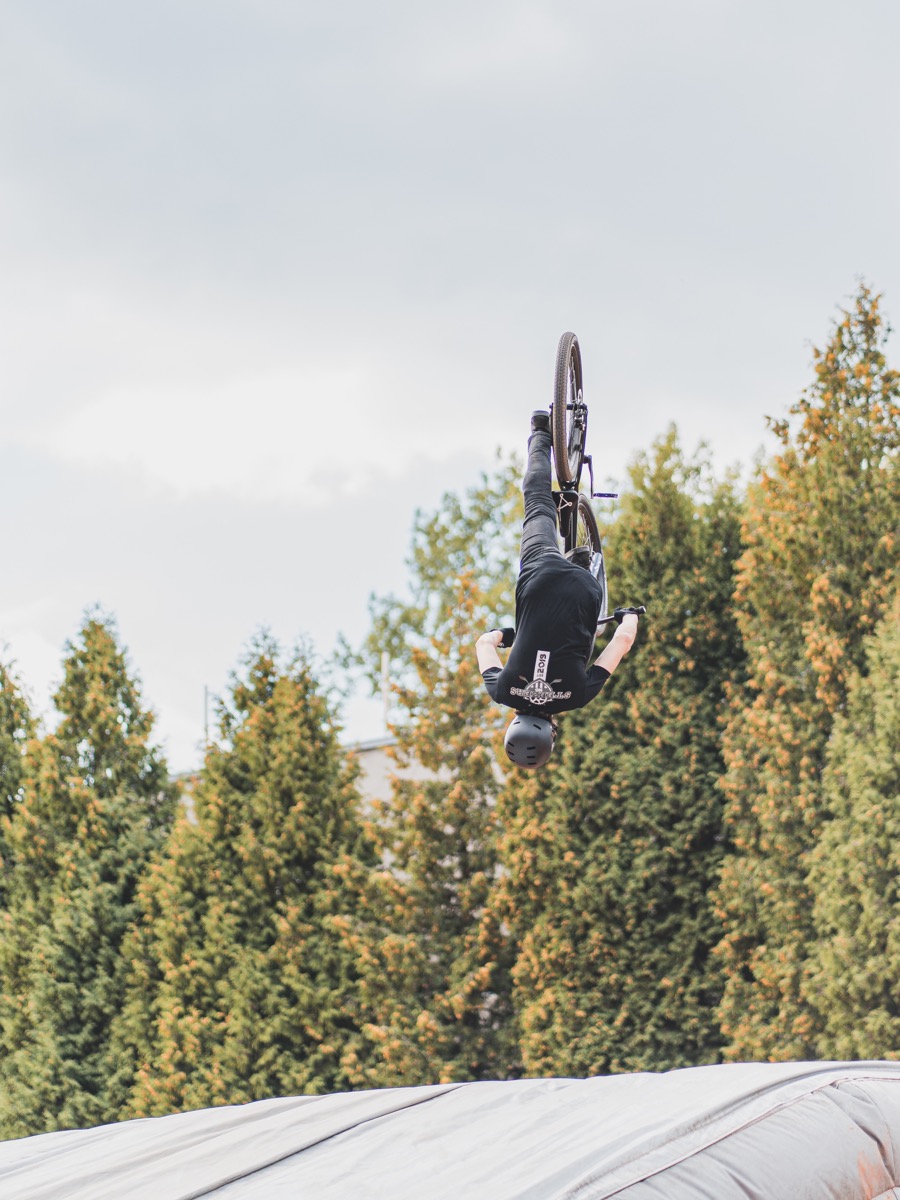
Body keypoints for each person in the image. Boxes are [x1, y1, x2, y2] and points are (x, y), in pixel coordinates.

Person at [476, 411, 641, 769]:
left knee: (591, 630)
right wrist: (506, 636)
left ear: (551, 734)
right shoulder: (500, 690)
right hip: (540, 576)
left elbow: (625, 640)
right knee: (536, 502)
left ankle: (582, 560)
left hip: (585, 592)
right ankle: (540, 433)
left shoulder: (577, 696)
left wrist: (629, 617)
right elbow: (483, 643)